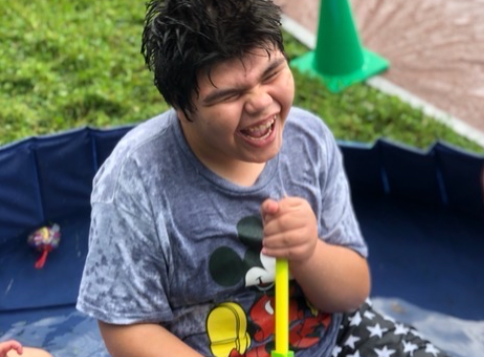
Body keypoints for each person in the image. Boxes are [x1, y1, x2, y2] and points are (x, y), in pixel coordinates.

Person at [76, 0, 451, 356]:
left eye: (271, 73)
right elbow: (125, 327)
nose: (260, 103)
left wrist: (310, 254)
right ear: (181, 106)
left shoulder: (308, 141)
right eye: (230, 95)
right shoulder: (135, 180)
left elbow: (352, 292)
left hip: (334, 338)